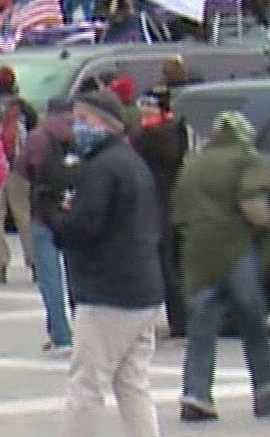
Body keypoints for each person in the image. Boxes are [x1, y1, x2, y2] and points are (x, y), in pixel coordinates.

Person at [48, 89, 165, 437]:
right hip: (143, 287)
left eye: (84, 121)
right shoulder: (132, 162)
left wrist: (57, 219)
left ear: (106, 125)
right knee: (133, 384)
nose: (77, 128)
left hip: (107, 292)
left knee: (87, 386)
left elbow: (85, 225)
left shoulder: (100, 168)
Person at [172, 110, 270, 423]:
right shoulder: (247, 159)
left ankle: (196, 395)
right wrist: (266, 228)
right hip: (234, 247)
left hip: (197, 252)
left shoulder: (194, 164)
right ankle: (267, 388)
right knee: (251, 318)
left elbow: (177, 212)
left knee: (202, 325)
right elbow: (254, 206)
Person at [19, 96, 80, 355]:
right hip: (74, 211)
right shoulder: (80, 135)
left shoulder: (38, 137)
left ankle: (60, 334)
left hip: (44, 213)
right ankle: (86, 331)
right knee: (77, 276)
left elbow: (23, 168)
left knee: (50, 279)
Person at [134, 81, 190, 338]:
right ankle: (180, 319)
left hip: (155, 204)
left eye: (149, 106)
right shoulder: (175, 132)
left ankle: (164, 317)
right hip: (170, 202)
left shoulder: (150, 137)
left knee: (157, 264)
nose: (144, 110)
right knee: (170, 265)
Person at [0, 65, 39, 283]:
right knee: (24, 215)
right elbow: (34, 129)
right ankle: (35, 263)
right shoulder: (23, 107)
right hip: (19, 166)